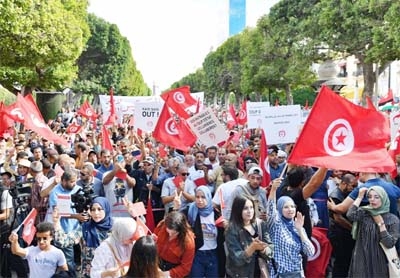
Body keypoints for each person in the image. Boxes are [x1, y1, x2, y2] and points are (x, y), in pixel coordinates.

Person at [346, 186, 400, 277]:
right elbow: (350, 215)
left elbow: (389, 244)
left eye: (376, 197)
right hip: (362, 256)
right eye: (370, 197)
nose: (372, 200)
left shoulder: (393, 219)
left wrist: (381, 225)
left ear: (383, 198)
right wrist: (359, 197)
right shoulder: (365, 212)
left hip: (380, 260)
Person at [54, 197, 113, 278]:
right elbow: (63, 242)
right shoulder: (85, 228)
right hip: (88, 274)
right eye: (93, 209)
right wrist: (56, 223)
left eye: (100, 209)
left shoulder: (115, 230)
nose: (96, 213)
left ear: (106, 209)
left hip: (108, 273)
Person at [267, 179, 315, 277]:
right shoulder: (276, 224)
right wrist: (273, 190)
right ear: (280, 209)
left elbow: (310, 252)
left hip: (297, 273)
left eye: (292, 207)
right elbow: (271, 209)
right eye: (286, 207)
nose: (290, 210)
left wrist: (300, 230)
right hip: (281, 274)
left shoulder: (297, 226)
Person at [225, 195, 273, 278]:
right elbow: (237, 259)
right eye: (245, 208)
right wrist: (252, 248)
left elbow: (271, 251)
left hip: (258, 272)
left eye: (251, 207)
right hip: (239, 274)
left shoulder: (260, 225)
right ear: (238, 210)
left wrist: (263, 249)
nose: (249, 211)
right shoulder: (232, 229)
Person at [186, 186, 225, 277]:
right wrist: (176, 208)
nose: (200, 200)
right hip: (197, 253)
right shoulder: (191, 211)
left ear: (208, 197)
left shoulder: (216, 213)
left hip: (213, 253)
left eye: (203, 197)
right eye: (197, 197)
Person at [155, 211, 195, 278]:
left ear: (181, 230)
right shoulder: (162, 225)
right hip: (157, 263)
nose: (170, 235)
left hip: (174, 271)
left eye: (174, 233)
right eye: (168, 231)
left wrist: (167, 274)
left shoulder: (188, 242)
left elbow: (185, 268)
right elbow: (155, 236)